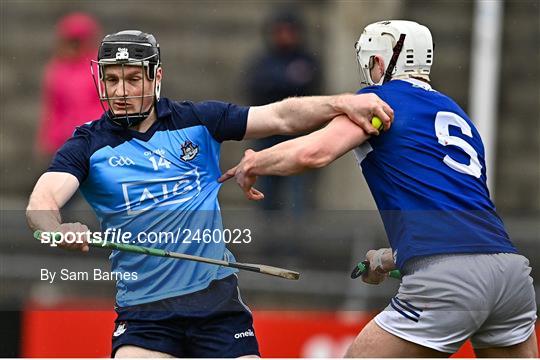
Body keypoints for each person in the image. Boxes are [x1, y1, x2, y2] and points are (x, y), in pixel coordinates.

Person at [25, 30, 393, 358]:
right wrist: (56, 228)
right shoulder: (87, 143)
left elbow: (281, 117)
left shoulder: (198, 120)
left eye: (133, 79)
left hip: (217, 307)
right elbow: (42, 202)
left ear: (156, 77)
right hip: (145, 315)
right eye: (113, 79)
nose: (121, 92)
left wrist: (343, 102)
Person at [219, 20, 538, 357]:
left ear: (381, 61)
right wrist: (388, 258)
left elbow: (314, 152)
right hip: (511, 276)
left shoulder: (379, 103)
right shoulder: (456, 113)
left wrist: (254, 162)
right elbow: (462, 231)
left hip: (449, 279)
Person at [244, 9, 321, 211]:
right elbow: (256, 89)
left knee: (299, 198)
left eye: (289, 31)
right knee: (267, 196)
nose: (285, 36)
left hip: (300, 137)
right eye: (281, 31)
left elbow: (311, 90)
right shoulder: (263, 62)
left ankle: (298, 240)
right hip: (268, 136)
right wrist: (286, 81)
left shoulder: (307, 60)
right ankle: (270, 239)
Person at [36, 12, 103, 159]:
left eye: (78, 41)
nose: (74, 46)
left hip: (98, 138)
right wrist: (49, 139)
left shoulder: (99, 66)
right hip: (67, 141)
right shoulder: (57, 69)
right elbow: (54, 108)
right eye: (71, 41)